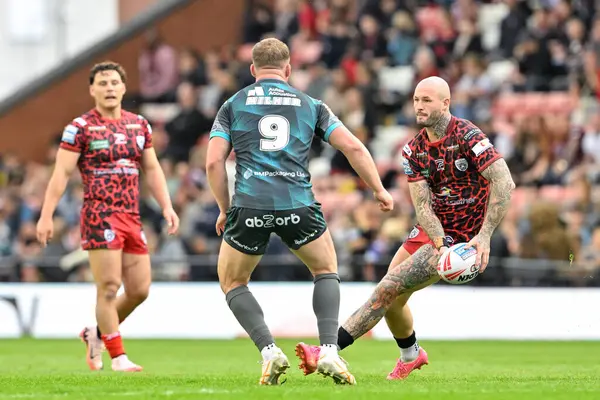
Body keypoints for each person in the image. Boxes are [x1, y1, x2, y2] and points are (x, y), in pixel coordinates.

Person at [295, 76, 515, 379]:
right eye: (416, 100)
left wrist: (485, 235)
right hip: (433, 229)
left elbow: (504, 182)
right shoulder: (413, 149)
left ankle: (328, 350)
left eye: (426, 100)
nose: (419, 106)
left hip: (465, 237)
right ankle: (411, 354)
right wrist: (439, 243)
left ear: (445, 103)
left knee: (387, 289)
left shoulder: (468, 136)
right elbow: (422, 205)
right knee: (394, 298)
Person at [206, 38, 393, 386]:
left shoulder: (233, 104)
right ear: (288, 69)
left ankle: (268, 351)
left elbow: (214, 161)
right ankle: (329, 351)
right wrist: (378, 189)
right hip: (298, 204)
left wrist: (223, 208)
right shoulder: (311, 104)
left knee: (233, 281)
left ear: (252, 71)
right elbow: (352, 146)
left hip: (250, 203)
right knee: (325, 270)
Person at [36, 61, 179, 372]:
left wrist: (167, 205)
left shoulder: (139, 124)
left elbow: (152, 168)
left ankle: (96, 334)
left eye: (115, 82)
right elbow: (61, 173)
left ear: (124, 88)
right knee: (110, 286)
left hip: (132, 215)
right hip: (100, 213)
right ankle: (118, 356)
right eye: (102, 83)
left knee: (140, 289)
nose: (110, 88)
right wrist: (46, 215)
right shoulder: (80, 127)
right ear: (92, 90)